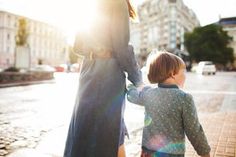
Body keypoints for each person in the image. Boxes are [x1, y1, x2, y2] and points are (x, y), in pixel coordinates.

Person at [63, 0, 142, 157]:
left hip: (88, 71)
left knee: (83, 132)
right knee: (108, 135)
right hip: (107, 74)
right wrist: (138, 79)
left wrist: (95, 50)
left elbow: (78, 46)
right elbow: (122, 48)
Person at [127, 51, 211, 157]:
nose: (185, 75)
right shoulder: (184, 98)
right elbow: (194, 130)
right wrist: (205, 152)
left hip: (148, 152)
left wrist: (131, 87)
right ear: (172, 74)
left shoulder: (149, 94)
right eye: (183, 72)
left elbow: (132, 96)